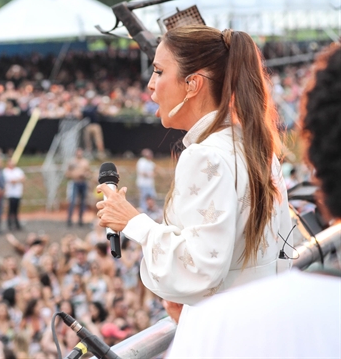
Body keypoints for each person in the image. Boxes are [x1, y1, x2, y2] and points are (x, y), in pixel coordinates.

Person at [96, 26, 293, 321]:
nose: (150, 84)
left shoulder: (205, 155)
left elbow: (200, 268)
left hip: (228, 333)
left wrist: (133, 222)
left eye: (159, 71)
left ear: (192, 84)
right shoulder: (253, 144)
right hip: (261, 320)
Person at [66, 148, 91, 227]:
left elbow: (89, 172)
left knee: (82, 202)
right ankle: (69, 219)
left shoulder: (85, 162)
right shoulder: (72, 162)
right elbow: (67, 173)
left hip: (83, 183)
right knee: (72, 201)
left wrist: (85, 174)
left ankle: (80, 219)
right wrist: (74, 174)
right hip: (75, 183)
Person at [3, 159, 25, 231]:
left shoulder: (18, 170)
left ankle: (16, 224)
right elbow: (8, 180)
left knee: (16, 210)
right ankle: (9, 224)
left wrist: (16, 180)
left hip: (17, 194)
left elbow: (23, 178)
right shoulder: (5, 171)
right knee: (10, 210)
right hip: (9, 194)